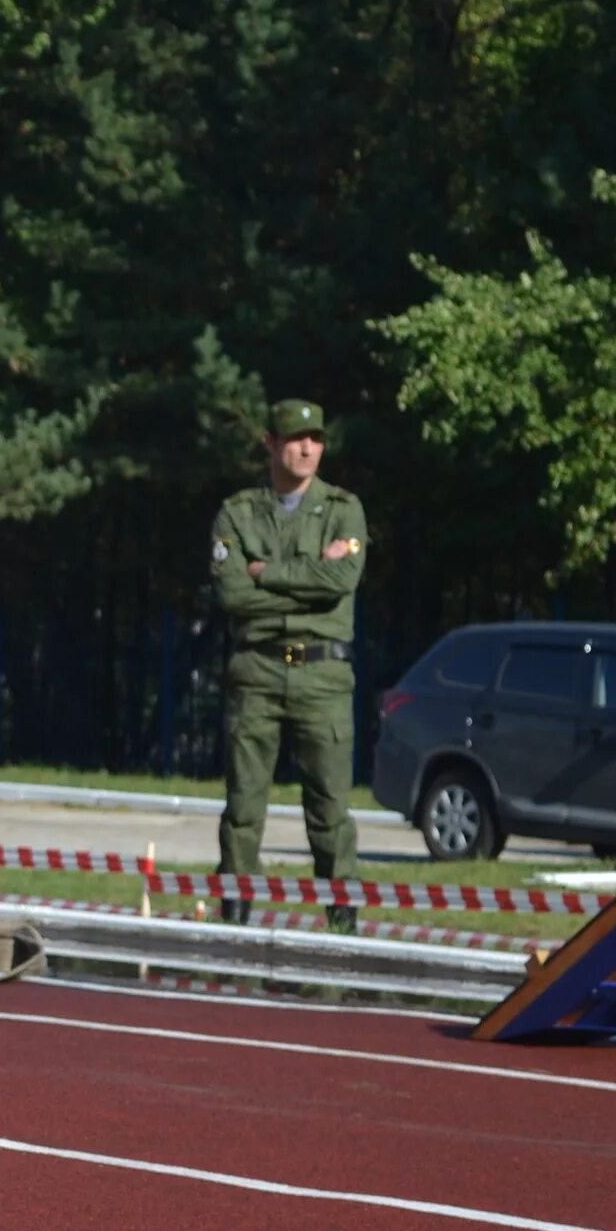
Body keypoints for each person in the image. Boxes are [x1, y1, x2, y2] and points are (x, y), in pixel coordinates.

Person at [209, 399, 368, 931]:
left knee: (330, 812)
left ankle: (343, 926)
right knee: (243, 809)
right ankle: (235, 921)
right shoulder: (237, 513)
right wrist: (301, 580)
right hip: (256, 672)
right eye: (296, 438)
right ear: (270, 444)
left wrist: (265, 572)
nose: (307, 449)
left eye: (316, 439)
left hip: (322, 676)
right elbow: (232, 594)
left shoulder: (344, 510)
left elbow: (340, 582)